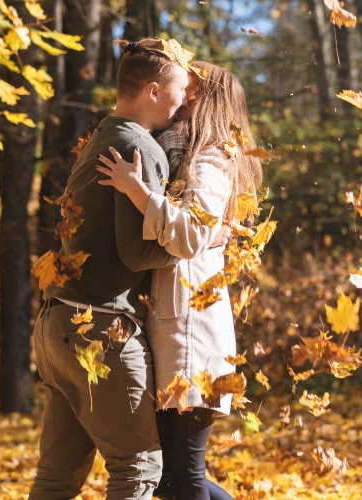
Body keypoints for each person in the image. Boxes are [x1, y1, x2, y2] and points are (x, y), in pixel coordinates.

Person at [28, 38, 201, 500]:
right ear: (152, 90)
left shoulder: (103, 135)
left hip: (56, 324)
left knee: (57, 477)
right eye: (180, 89)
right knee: (139, 468)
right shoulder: (138, 146)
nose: (184, 99)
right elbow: (137, 253)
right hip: (100, 328)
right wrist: (194, 247)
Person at [97, 62, 263, 499]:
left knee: (180, 475)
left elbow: (190, 233)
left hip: (190, 334)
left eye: (191, 91)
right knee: (179, 472)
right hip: (177, 330)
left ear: (206, 101)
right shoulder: (184, 157)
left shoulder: (210, 160)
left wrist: (137, 190)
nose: (182, 96)